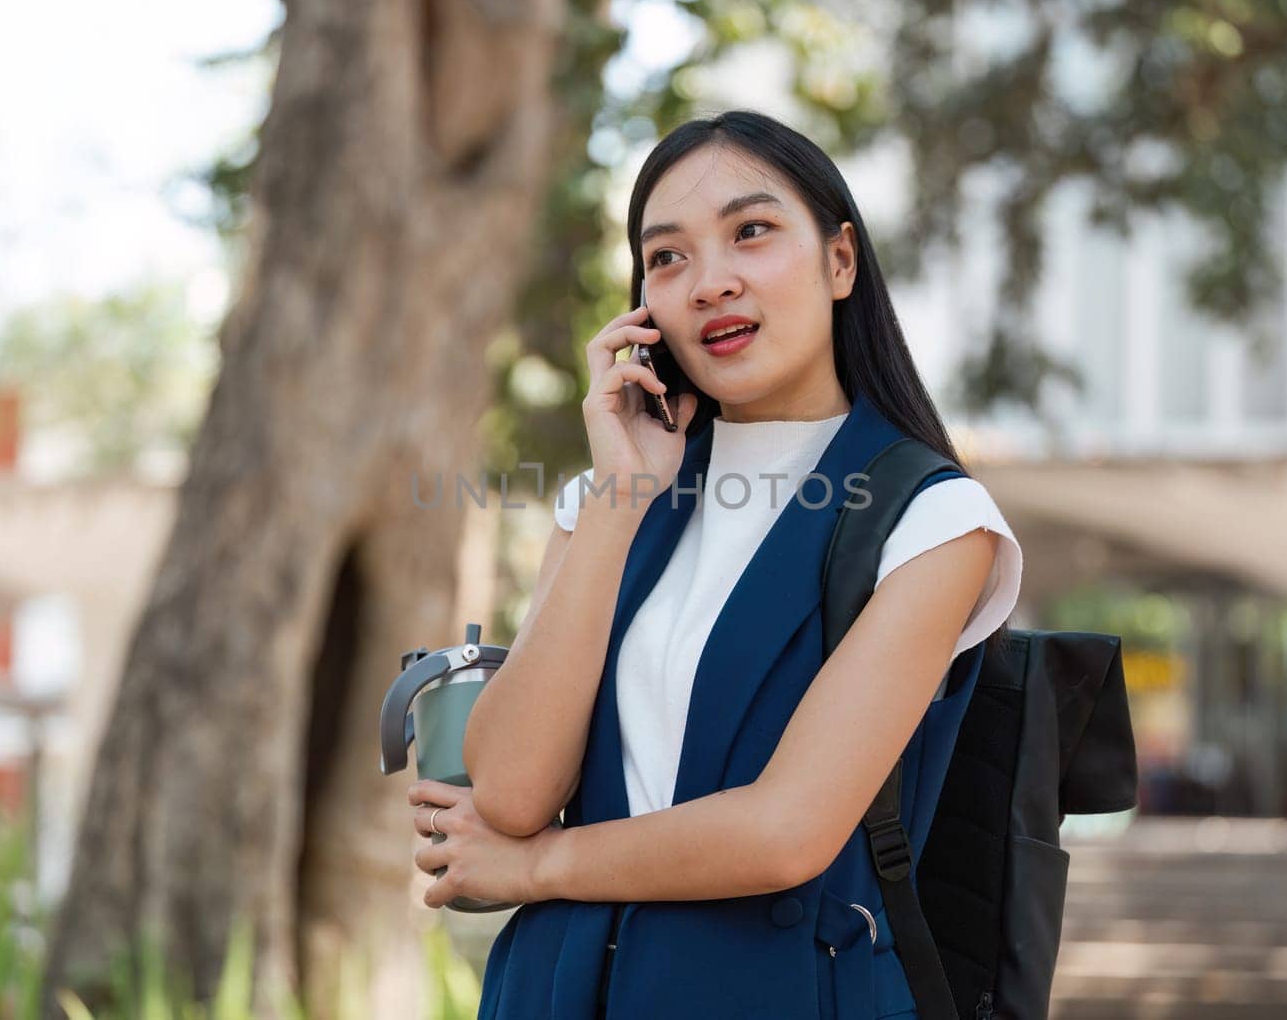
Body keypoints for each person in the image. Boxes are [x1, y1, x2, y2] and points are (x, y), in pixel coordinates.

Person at [408, 109, 1023, 1020]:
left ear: (840, 260)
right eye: (668, 258)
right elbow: (510, 788)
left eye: (752, 231)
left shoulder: (934, 520)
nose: (710, 283)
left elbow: (785, 831)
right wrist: (620, 501)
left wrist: (541, 865)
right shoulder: (610, 497)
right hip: (555, 990)